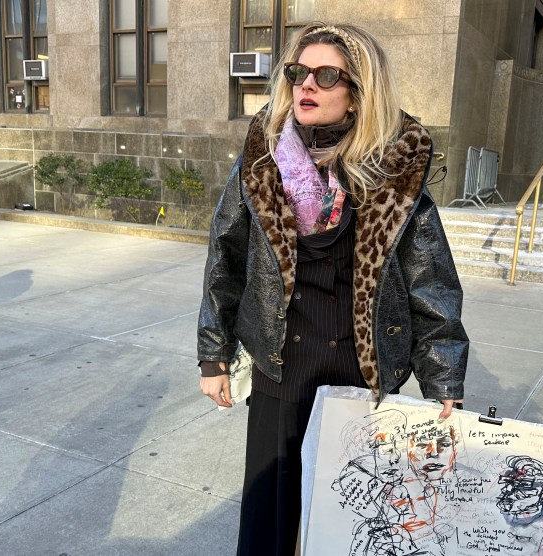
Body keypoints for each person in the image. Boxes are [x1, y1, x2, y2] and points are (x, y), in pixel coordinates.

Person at [196, 22, 469, 556]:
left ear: (358, 93)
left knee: (348, 520)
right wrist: (214, 356)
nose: (307, 86)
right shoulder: (261, 163)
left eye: (326, 75)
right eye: (299, 73)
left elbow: (431, 283)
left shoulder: (394, 175)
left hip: (358, 374)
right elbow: (224, 260)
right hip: (282, 366)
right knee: (271, 522)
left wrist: (444, 379)